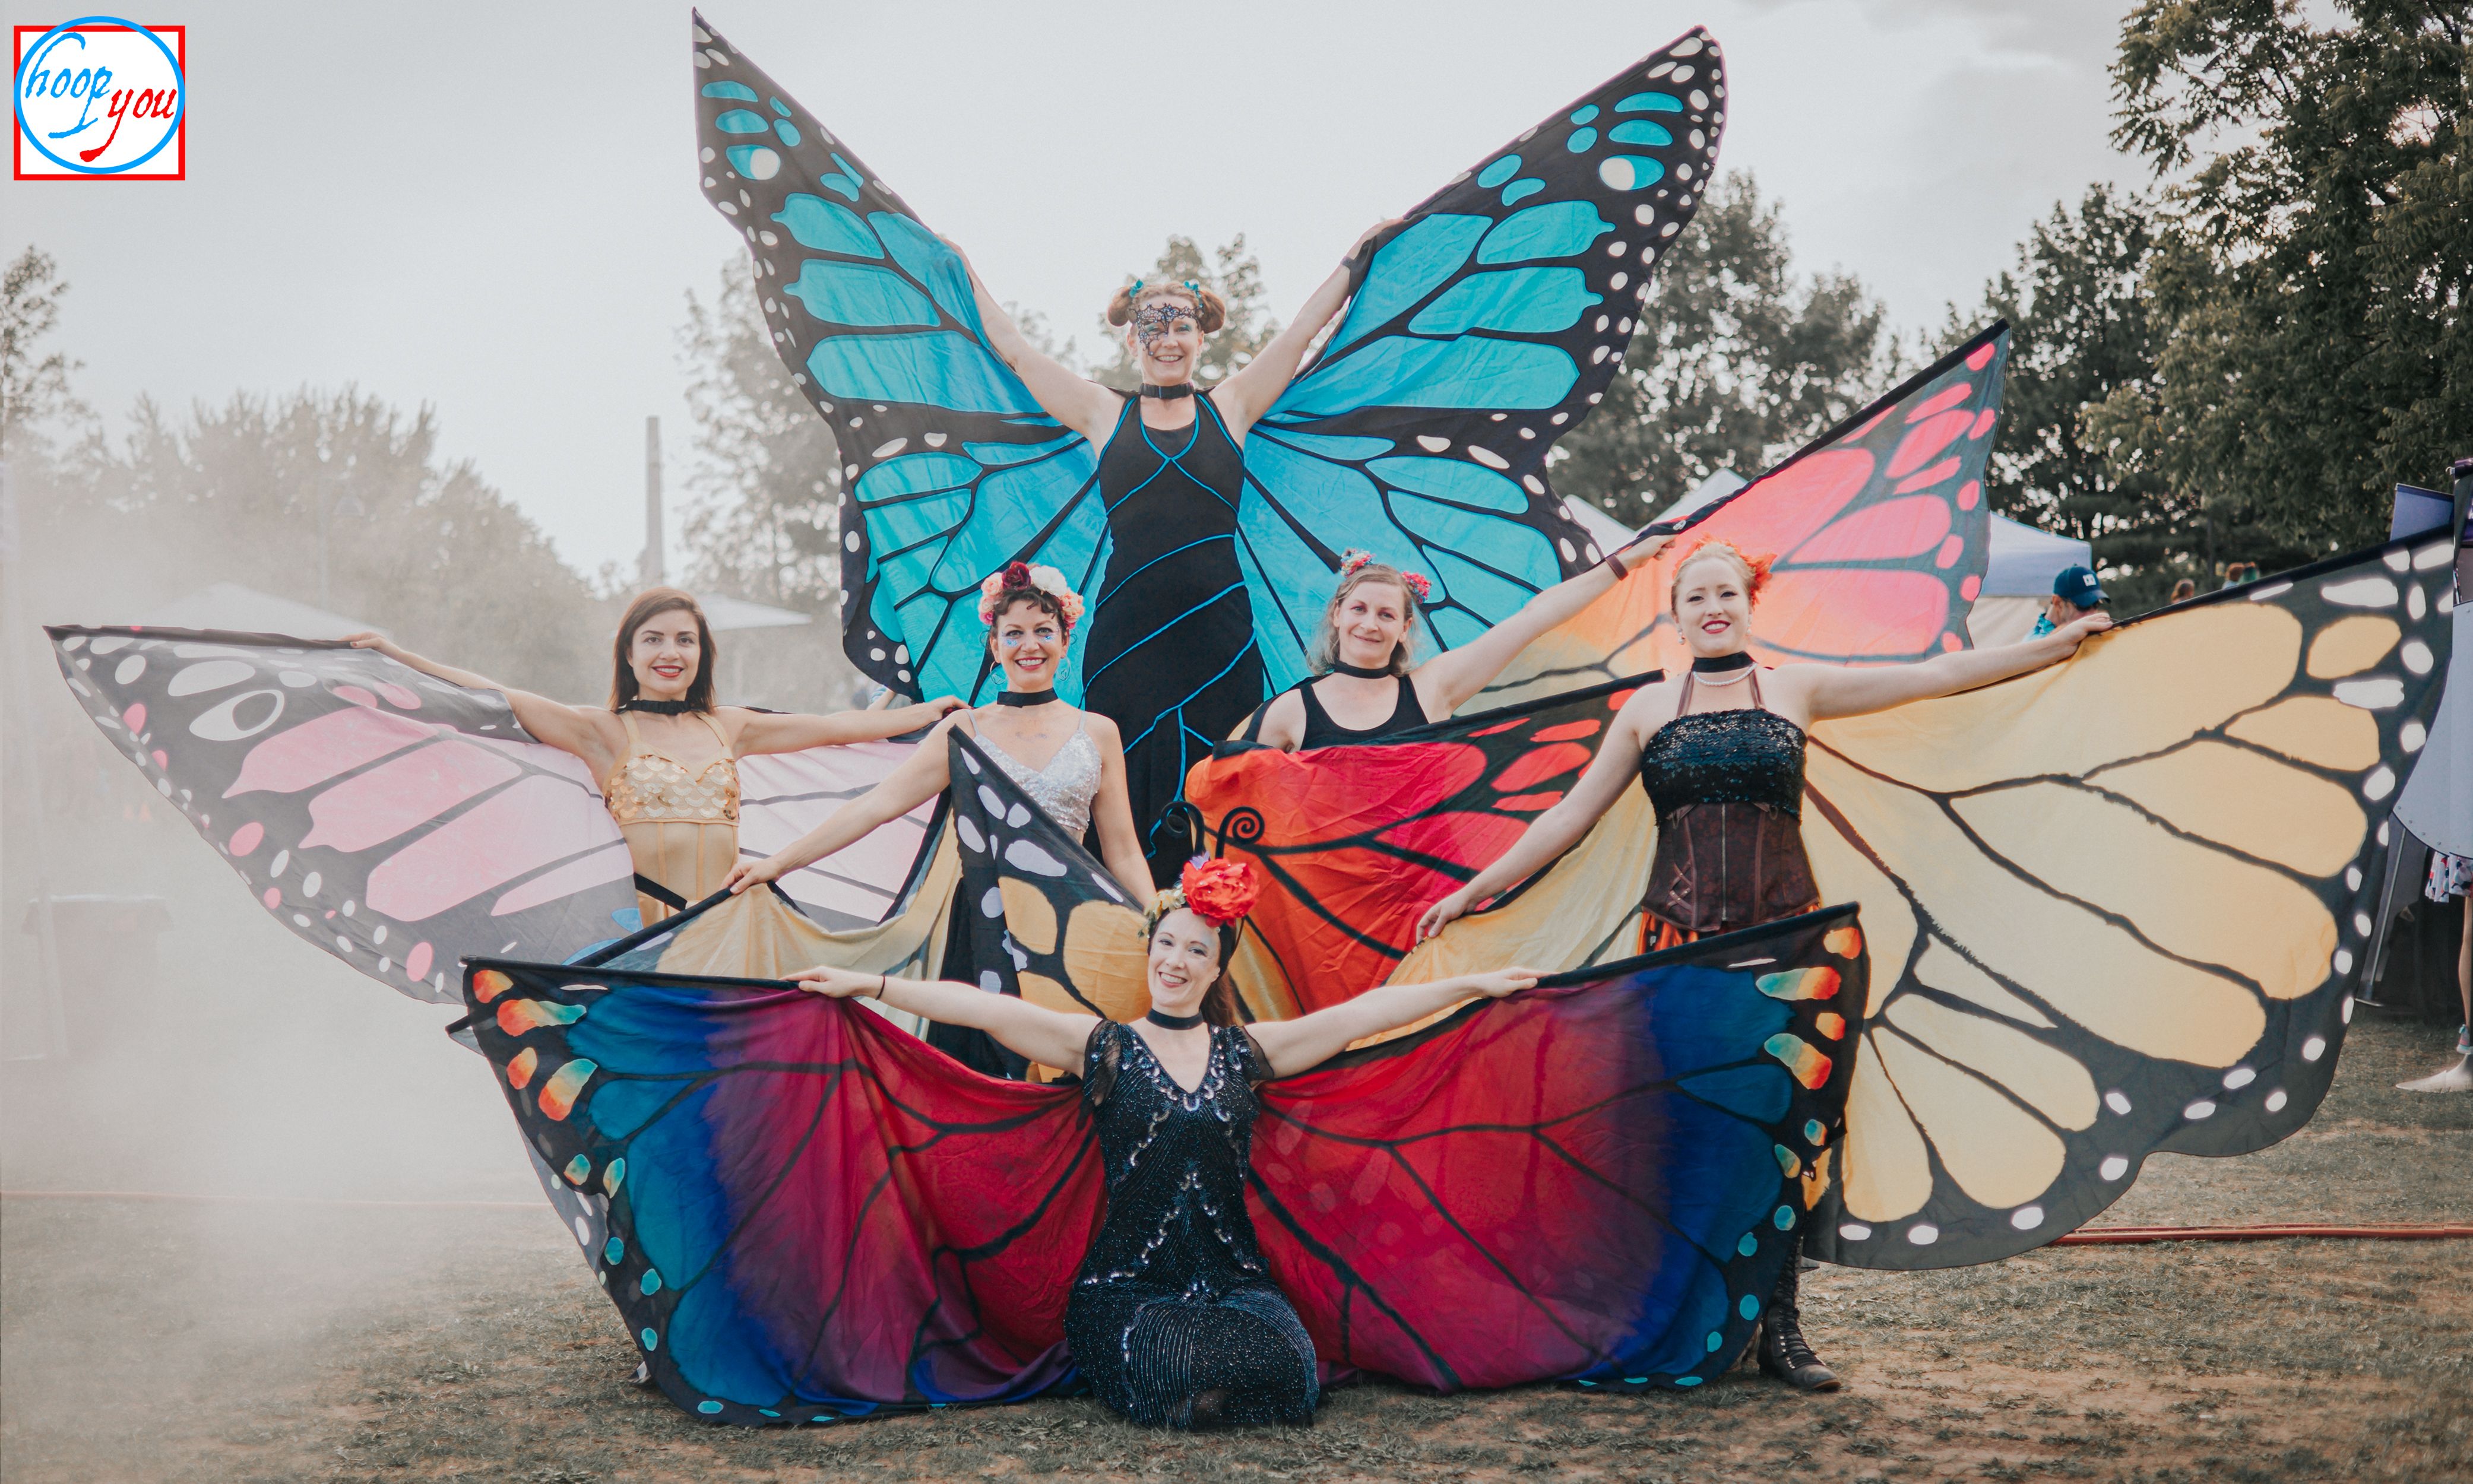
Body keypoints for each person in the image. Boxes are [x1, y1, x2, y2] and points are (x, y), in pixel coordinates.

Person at [1415, 537, 2113, 1393]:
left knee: (1787, 1134)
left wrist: (2054, 644)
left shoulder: (1795, 688)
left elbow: (1935, 678)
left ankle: (1781, 1328)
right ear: (1675, 616)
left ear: (1750, 604)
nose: (1712, 608)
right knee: (1685, 1134)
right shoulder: (1643, 711)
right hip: (1677, 952)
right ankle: (1684, 1319)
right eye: (1694, 597)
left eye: (1726, 595)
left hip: (1786, 943)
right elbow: (1567, 818)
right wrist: (1474, 891)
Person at [786, 856, 1539, 1429]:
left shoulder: (1247, 1051)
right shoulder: (1103, 1044)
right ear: (1151, 948)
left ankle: (1217, 1377)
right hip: (1126, 1287)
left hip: (1233, 1278)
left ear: (1215, 969)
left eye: (1195, 953)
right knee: (1184, 1373)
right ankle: (1180, 1375)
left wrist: (1476, 987)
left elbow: (1365, 1014)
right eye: (1168, 944)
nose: (1176, 962)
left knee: (1292, 1374)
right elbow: (982, 1009)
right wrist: (871, 987)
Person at [952, 224, 1394, 878]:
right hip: (1127, 638)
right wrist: (963, 270)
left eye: (1180, 326)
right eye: (1152, 328)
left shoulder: (1233, 406)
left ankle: (1217, 945)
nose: (1166, 339)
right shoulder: (1102, 412)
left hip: (1220, 637)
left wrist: (1353, 262)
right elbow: (1015, 352)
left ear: (1200, 335)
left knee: (1225, 792)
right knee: (1118, 790)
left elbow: (1302, 332)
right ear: (1132, 339)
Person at [347, 588, 958, 924]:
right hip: (638, 931)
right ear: (630, 654)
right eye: (655, 639)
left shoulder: (731, 725)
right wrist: (402, 658)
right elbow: (491, 695)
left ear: (702, 655)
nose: (672, 651)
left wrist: (932, 713)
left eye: (685, 640)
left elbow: (835, 729)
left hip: (729, 926)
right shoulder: (602, 731)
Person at [722, 562, 1152, 907]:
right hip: (986, 920)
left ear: (1064, 640)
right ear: (995, 647)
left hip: (1076, 917)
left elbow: (1124, 853)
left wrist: (1156, 925)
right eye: (1014, 634)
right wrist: (778, 864)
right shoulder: (963, 730)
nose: (1030, 645)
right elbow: (876, 806)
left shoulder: (1098, 732)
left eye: (1043, 631)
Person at [1249, 537, 1673, 751]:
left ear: (1404, 627)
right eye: (1359, 609)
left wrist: (1626, 561)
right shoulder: (1289, 711)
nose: (1369, 625)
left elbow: (1532, 620)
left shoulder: (1433, 687)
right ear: (1337, 614)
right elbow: (1232, 800)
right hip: (1324, 901)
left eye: (1386, 615)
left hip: (1425, 892)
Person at [2030, 563, 2108, 638]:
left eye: (2096, 605)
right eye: (2083, 606)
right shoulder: (2035, 641)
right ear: (2058, 602)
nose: (2093, 615)